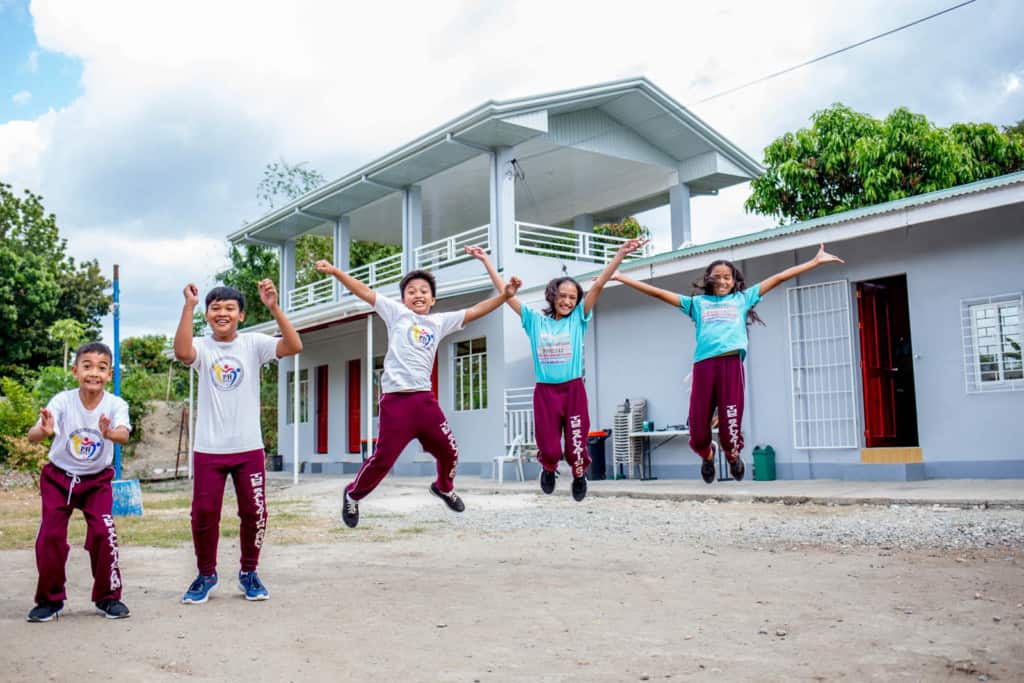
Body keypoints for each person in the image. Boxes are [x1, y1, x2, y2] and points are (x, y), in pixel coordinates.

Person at [314, 259, 521, 528]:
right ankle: (353, 495)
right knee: (383, 461)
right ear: (403, 299)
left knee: (450, 451)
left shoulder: (439, 322)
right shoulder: (396, 313)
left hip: (424, 401)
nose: (418, 295)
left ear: (433, 299)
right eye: (411, 291)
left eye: (424, 291)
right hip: (396, 402)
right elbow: (364, 291)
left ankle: (444, 488)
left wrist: (504, 296)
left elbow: (474, 311)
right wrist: (336, 271)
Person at [612, 244, 843, 483]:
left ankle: (733, 456)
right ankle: (707, 454)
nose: (723, 281)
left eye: (727, 277)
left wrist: (814, 262)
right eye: (717, 277)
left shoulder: (743, 299)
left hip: (731, 365)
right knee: (698, 432)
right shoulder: (697, 304)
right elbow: (658, 293)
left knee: (730, 424)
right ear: (709, 280)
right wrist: (622, 277)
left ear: (734, 281)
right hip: (704, 367)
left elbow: (779, 277)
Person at [467, 238, 648, 501]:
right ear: (552, 296)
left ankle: (578, 474)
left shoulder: (578, 318)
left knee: (576, 444)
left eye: (572, 297)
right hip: (545, 393)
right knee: (550, 448)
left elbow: (598, 285)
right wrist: (486, 261)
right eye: (562, 296)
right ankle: (548, 469)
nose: (567, 301)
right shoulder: (535, 321)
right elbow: (507, 295)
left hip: (573, 389)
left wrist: (620, 253)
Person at [173, 280, 302, 603]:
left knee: (255, 512)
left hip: (248, 449)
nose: (222, 313)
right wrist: (188, 305)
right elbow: (182, 352)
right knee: (203, 513)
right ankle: (206, 575)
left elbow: (294, 345)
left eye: (230, 308)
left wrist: (273, 306)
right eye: (215, 308)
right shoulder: (203, 347)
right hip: (209, 449)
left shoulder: (253, 344)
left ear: (241, 316)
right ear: (207, 315)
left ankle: (249, 572)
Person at [26, 342, 132, 622]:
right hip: (59, 479)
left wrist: (109, 433)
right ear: (75, 371)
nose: (94, 373)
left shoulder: (115, 404)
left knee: (103, 533)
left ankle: (108, 597)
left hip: (97, 481)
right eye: (87, 366)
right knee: (49, 536)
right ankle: (50, 600)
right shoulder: (62, 401)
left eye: (101, 367)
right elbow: (34, 434)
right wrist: (44, 430)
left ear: (110, 374)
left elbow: (123, 435)